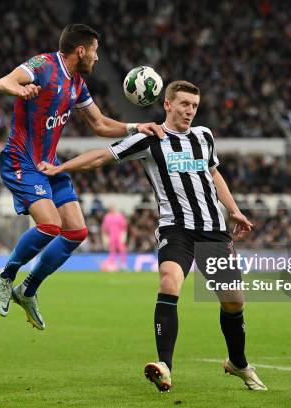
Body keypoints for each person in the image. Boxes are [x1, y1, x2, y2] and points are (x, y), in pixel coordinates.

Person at [38, 80, 267, 391]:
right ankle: (164, 366)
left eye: (194, 106)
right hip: (177, 229)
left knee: (233, 303)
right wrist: (59, 168)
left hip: (213, 230)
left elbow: (213, 173)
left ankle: (238, 363)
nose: (190, 111)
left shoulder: (204, 137)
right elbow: (101, 156)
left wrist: (234, 209)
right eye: (184, 104)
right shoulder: (149, 138)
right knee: (169, 281)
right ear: (168, 105)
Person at [0, 23, 164, 330]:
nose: (97, 58)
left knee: (76, 232)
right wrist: (20, 89)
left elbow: (98, 124)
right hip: (22, 158)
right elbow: (3, 81)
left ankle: (27, 290)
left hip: (49, 163)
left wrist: (136, 127)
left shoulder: (77, 83)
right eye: (95, 51)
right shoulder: (44, 66)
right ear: (81, 50)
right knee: (49, 225)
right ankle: (5, 275)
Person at [101, 205, 128, 270]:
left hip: (119, 235)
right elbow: (104, 227)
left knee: (122, 249)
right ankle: (112, 263)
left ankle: (123, 263)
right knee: (112, 250)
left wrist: (124, 235)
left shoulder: (119, 216)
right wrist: (105, 237)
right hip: (111, 235)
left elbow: (124, 226)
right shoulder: (107, 216)